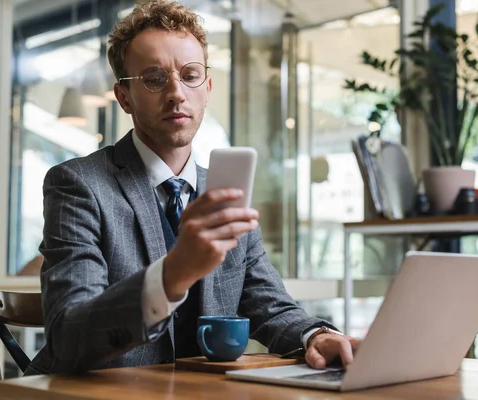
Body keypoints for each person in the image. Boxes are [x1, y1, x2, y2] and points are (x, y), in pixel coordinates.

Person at [26, 0, 358, 375]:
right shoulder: (78, 185)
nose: (176, 93)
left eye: (190, 74)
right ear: (124, 97)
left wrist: (316, 335)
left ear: (208, 87)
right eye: (154, 78)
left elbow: (271, 306)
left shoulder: (225, 190)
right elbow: (68, 335)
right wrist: (173, 274)